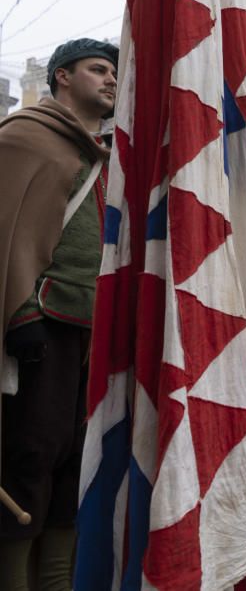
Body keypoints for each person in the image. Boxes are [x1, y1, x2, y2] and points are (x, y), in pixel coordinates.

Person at [0, 38, 118, 589]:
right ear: (62, 76)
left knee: (75, 462)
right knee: (28, 460)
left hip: (93, 330)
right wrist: (21, 313)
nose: (112, 79)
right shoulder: (23, 138)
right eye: (98, 69)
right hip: (38, 326)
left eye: (115, 72)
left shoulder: (108, 155)